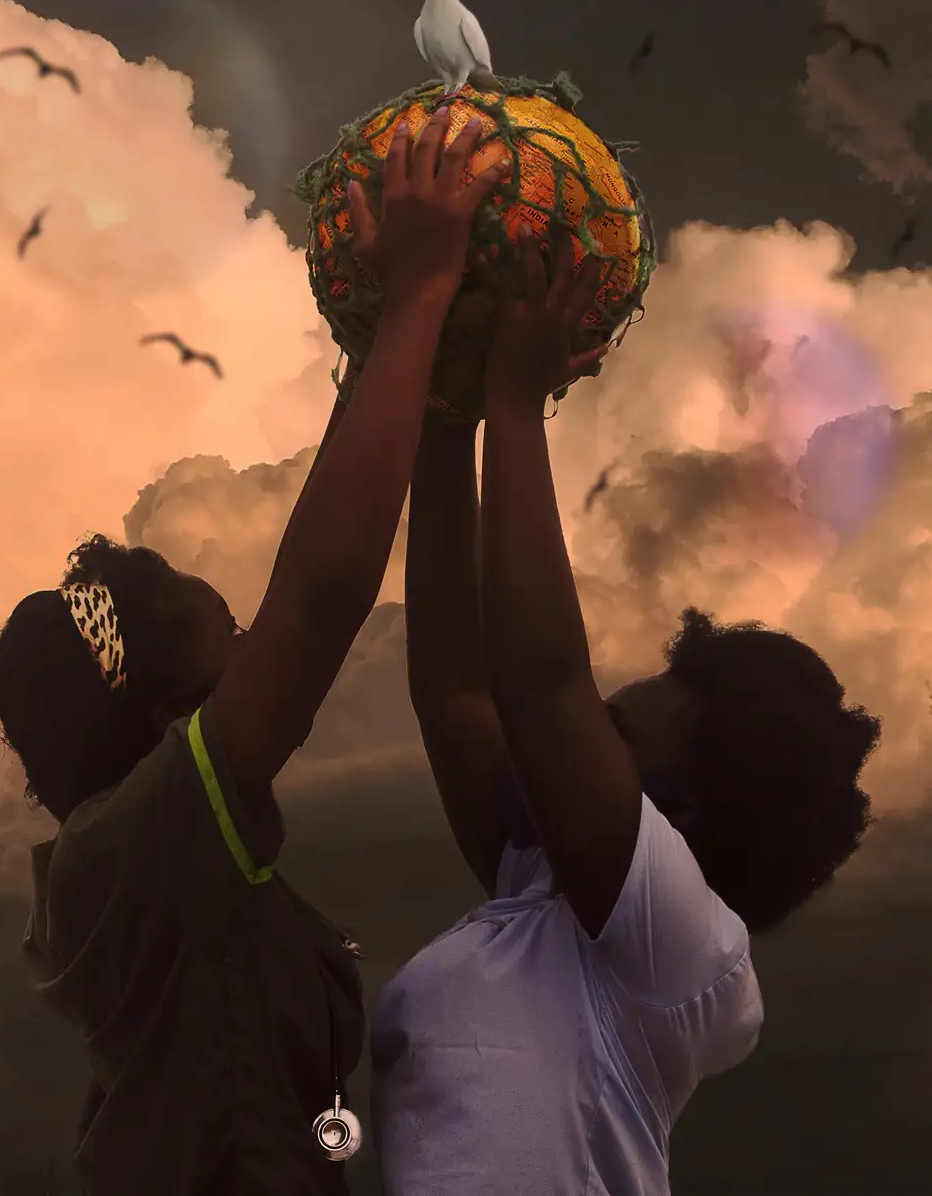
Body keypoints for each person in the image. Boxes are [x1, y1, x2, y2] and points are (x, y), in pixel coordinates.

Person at [0, 107, 511, 1196]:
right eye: (183, 589)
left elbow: (304, 594)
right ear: (135, 678)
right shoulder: (134, 843)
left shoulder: (139, 850)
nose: (225, 594)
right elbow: (317, 600)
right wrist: (414, 297)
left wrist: (379, 341)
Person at [371, 225, 881, 1195]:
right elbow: (456, 688)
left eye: (614, 733)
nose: (575, 735)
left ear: (682, 810)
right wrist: (448, 417)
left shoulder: (683, 950)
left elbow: (534, 685)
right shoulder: (535, 894)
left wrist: (514, 410)